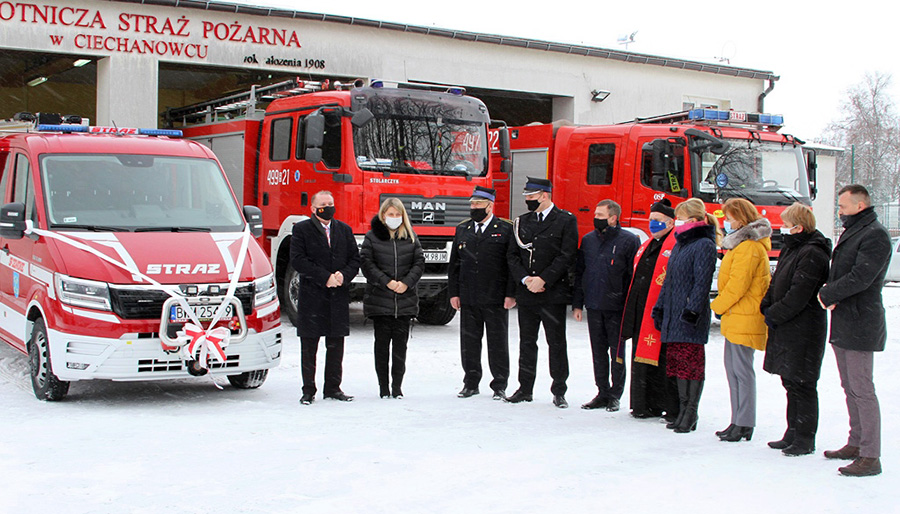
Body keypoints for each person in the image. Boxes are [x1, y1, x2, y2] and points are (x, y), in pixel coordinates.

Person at [818, 185, 891, 477]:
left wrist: (829, 293)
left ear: (860, 206)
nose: (839, 212)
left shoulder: (874, 234)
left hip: (862, 320)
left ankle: (871, 456)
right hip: (845, 319)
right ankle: (856, 442)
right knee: (850, 387)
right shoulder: (856, 230)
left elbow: (862, 277)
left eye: (843, 207)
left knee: (862, 389)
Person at [760, 202, 831, 456]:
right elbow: (776, 281)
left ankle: (804, 437)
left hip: (804, 329)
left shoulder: (812, 253)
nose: (783, 230)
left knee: (803, 383)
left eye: (787, 226)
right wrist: (766, 305)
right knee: (790, 381)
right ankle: (792, 431)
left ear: (799, 227)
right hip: (787, 327)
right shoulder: (794, 249)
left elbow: (799, 294)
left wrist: (774, 313)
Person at [506, 176, 579, 408]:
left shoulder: (565, 220)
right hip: (528, 291)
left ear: (544, 195)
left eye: (531, 197)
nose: (527, 200)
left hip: (552, 292)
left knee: (556, 342)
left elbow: (566, 254)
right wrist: (526, 279)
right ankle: (525, 388)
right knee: (527, 342)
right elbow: (513, 255)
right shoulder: (522, 222)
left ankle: (559, 389)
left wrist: (544, 278)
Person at [651, 198, 718, 433]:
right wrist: (660, 307)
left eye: (681, 218)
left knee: (691, 365)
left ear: (694, 219)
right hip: (672, 311)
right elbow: (668, 281)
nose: (678, 222)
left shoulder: (703, 244)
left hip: (689, 315)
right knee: (677, 364)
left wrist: (692, 311)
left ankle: (691, 412)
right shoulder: (681, 244)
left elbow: (702, 283)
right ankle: (681, 409)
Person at [710, 198, 772, 442]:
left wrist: (717, 305)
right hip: (737, 316)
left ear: (742, 219)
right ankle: (738, 420)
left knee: (741, 371)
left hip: (744, 316)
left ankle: (744, 422)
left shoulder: (748, 247)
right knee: (734, 371)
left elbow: (738, 286)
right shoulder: (740, 246)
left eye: (731, 217)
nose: (727, 222)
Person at [290, 190, 360, 405]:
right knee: (310, 345)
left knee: (336, 344)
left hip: (337, 296)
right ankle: (308, 390)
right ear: (313, 208)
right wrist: (324, 277)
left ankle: (333, 387)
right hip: (313, 295)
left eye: (330, 203)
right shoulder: (301, 230)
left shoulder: (344, 230)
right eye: (323, 204)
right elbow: (298, 260)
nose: (328, 207)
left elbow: (355, 259)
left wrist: (343, 276)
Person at [449, 186, 517, 400]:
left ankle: (499, 384)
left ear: (490, 205)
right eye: (472, 204)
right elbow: (455, 265)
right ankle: (470, 382)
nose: (474, 208)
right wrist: (454, 293)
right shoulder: (463, 229)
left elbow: (511, 264)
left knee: (497, 343)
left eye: (478, 204)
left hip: (496, 296)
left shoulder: (505, 228)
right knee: (469, 343)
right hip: (469, 295)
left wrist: (511, 293)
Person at [573, 199, 639, 412]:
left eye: (601, 216)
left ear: (613, 217)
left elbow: (632, 277)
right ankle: (602, 391)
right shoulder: (589, 240)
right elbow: (581, 273)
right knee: (598, 351)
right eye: (595, 214)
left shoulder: (628, 241)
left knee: (616, 352)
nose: (596, 219)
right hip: (594, 305)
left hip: (616, 307)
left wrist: (629, 306)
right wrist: (577, 304)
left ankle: (615, 394)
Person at [619, 198, 679, 420]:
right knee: (640, 359)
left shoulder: (672, 245)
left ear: (671, 223)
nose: (653, 224)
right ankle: (642, 404)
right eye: (651, 220)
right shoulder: (647, 244)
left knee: (659, 361)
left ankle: (658, 403)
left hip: (658, 312)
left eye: (658, 220)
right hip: (640, 309)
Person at [360, 198, 425, 399]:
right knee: (381, 347)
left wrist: (406, 283)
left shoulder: (411, 237)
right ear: (383, 215)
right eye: (390, 214)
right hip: (380, 301)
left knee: (400, 348)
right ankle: (383, 388)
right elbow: (367, 264)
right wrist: (387, 282)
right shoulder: (372, 237)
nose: (394, 218)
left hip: (404, 303)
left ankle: (397, 387)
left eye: (398, 215)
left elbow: (419, 262)